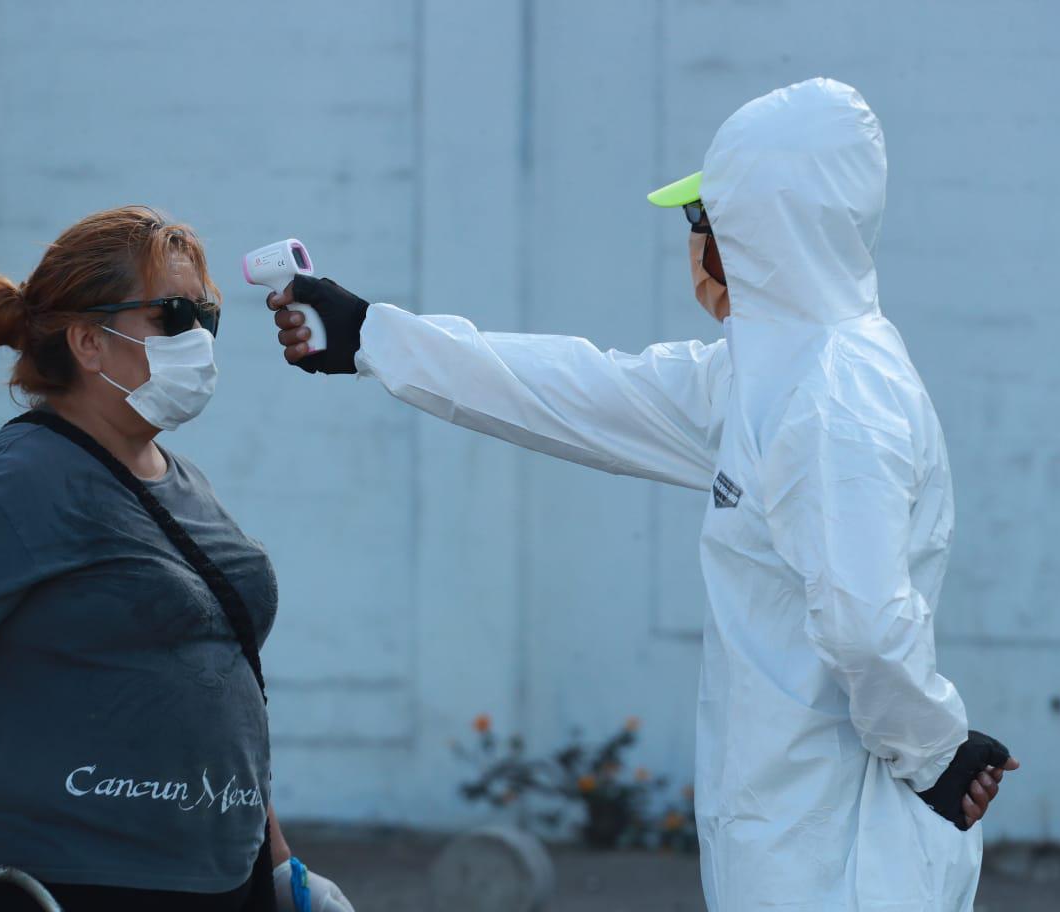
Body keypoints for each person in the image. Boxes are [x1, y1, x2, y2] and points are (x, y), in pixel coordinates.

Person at [266, 79, 1020, 910]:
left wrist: (937, 751)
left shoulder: (835, 397)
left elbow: (868, 626)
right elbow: (577, 390)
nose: (693, 243)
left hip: (844, 859)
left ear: (763, 225)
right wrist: (372, 334)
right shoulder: (766, 375)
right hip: (790, 838)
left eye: (703, 219)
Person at [0, 206, 354, 912]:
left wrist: (279, 863)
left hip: (223, 882)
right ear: (88, 340)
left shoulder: (182, 480)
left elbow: (217, 685)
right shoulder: (18, 477)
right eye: (174, 315)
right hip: (74, 884)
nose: (199, 339)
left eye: (209, 317)